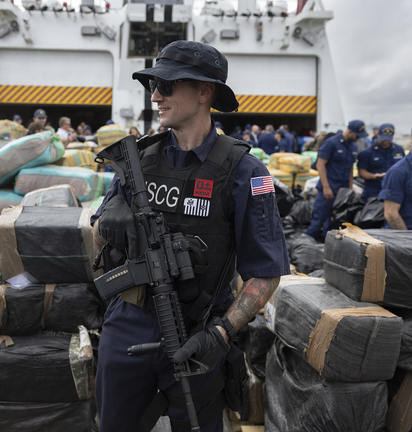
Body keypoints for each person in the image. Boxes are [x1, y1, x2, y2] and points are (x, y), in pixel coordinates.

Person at [90, 40, 289, 432]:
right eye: (153, 85)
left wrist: (221, 333)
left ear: (204, 91)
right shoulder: (137, 161)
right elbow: (99, 239)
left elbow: (266, 272)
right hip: (128, 323)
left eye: (167, 85)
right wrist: (112, 224)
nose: (156, 95)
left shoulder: (246, 173)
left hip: (199, 333)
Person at [305, 120, 364, 241]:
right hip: (328, 189)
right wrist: (326, 187)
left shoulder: (353, 146)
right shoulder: (331, 143)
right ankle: (304, 248)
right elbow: (320, 165)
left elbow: (350, 170)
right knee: (318, 220)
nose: (358, 138)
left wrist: (349, 189)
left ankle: (328, 247)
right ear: (350, 131)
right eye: (357, 135)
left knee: (336, 222)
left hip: (342, 191)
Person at [356, 123, 405, 202]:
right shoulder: (367, 153)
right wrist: (375, 176)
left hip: (394, 193)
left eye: (388, 139)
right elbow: (362, 173)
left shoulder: (399, 150)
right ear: (378, 134)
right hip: (373, 194)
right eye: (383, 139)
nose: (385, 142)